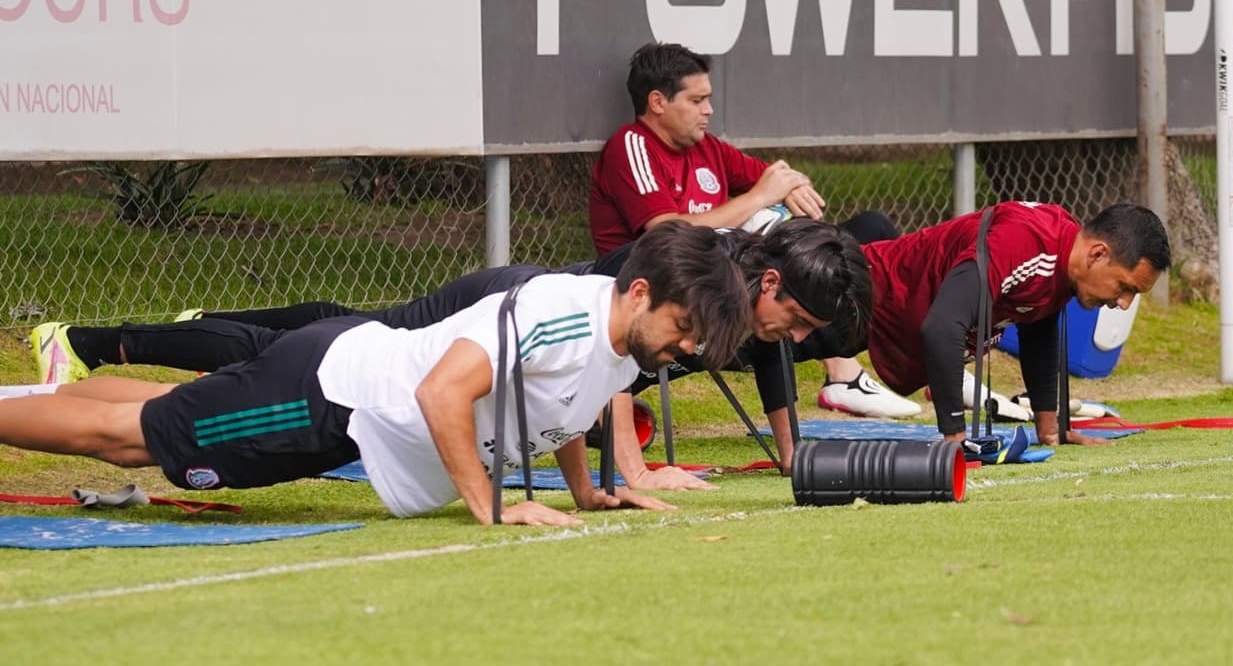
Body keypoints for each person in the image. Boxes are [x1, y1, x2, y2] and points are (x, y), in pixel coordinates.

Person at [29, 219, 876, 490]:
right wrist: (488, 506)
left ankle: (95, 366)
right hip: (344, 392)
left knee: (182, 404)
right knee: (132, 437)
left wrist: (594, 493)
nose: (795, 343)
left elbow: (578, 394)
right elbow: (448, 391)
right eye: (796, 321)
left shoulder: (652, 325)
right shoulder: (639, 292)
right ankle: (94, 346)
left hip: (348, 402)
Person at [587, 40, 917, 419]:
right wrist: (760, 197)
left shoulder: (706, 147)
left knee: (866, 231)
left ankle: (879, 358)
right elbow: (663, 232)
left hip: (743, 301)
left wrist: (790, 186)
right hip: (677, 308)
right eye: (696, 101)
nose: (708, 110)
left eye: (708, 99)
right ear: (658, 102)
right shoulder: (631, 145)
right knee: (772, 239)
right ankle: (848, 370)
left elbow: (778, 178)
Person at [740, 201, 1171, 467]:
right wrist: (953, 439)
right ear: (1098, 253)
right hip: (861, 303)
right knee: (732, 346)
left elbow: (1040, 327)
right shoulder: (1025, 242)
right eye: (1127, 287)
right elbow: (942, 327)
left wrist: (1052, 428)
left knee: (740, 346)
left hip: (881, 317)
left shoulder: (1060, 254)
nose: (1123, 303)